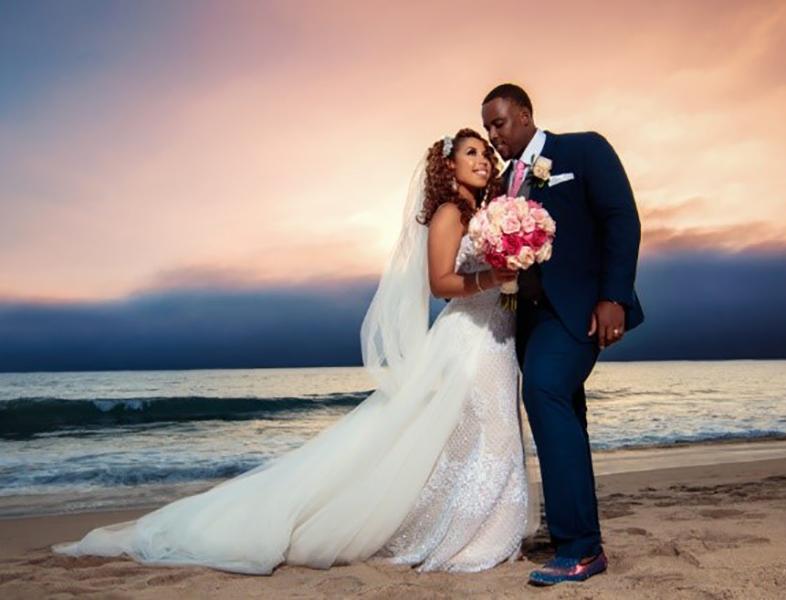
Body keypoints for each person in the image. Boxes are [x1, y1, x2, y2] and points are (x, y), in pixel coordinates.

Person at [52, 128, 539, 575]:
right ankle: (476, 536)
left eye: (485, 153)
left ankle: (485, 529)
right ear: (448, 166)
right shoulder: (450, 214)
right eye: (470, 153)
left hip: (495, 335)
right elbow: (440, 284)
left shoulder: (487, 214)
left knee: (487, 435)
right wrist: (494, 277)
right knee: (487, 432)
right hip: (465, 340)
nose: (482, 160)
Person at [481, 83, 645, 586]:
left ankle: (580, 548)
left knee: (544, 390)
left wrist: (613, 295)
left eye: (499, 123)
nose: (493, 135)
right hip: (527, 319)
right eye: (487, 127)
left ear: (526, 115)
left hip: (578, 311)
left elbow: (621, 217)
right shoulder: (503, 183)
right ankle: (572, 533)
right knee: (566, 413)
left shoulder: (582, 149)